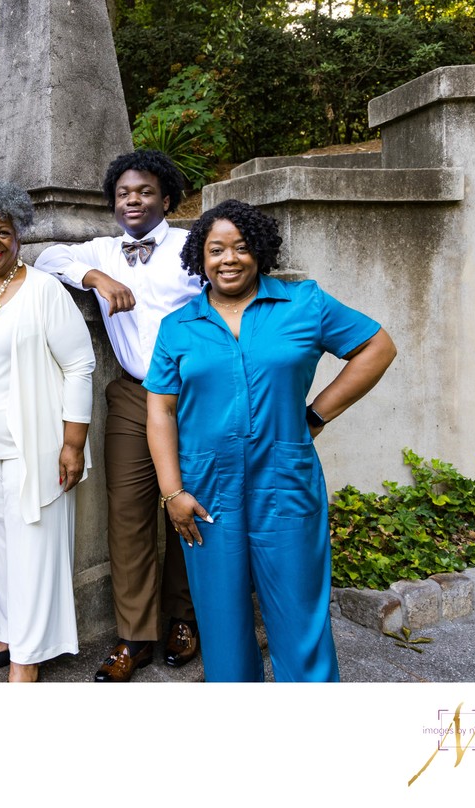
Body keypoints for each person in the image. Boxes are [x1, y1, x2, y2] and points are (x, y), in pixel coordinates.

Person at [145, 199, 397, 682]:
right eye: (216, 249)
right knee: (221, 620)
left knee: (300, 613)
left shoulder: (305, 303)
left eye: (241, 247)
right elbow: (160, 409)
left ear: (259, 251)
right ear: (200, 257)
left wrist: (318, 414)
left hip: (286, 479)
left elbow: (377, 347)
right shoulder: (177, 327)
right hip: (205, 490)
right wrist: (172, 491)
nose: (229, 259)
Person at [34, 149, 200, 682]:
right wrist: (96, 278)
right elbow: (45, 259)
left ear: (166, 199)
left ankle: (184, 618)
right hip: (132, 394)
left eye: (145, 191)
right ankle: (135, 635)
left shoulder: (191, 246)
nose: (134, 200)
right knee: (128, 515)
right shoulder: (103, 249)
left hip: (197, 396)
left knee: (187, 511)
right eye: (124, 193)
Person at [0, 180, 95, 683]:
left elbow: (80, 366)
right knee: (2, 543)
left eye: (2, 232)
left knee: (33, 546)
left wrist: (74, 444)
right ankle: (6, 630)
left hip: (39, 447)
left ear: (18, 236)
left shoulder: (43, 289)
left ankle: (27, 659)